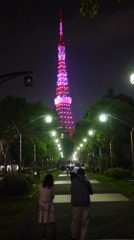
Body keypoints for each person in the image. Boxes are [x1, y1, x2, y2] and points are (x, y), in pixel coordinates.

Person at [70, 168, 93, 240]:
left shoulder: (73, 181)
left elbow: (71, 191)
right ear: (84, 174)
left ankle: (73, 235)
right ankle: (83, 237)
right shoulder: (87, 182)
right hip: (85, 204)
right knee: (85, 223)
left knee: (75, 221)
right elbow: (91, 192)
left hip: (76, 204)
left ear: (77, 173)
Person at [38, 173, 56, 240]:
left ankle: (44, 237)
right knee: (52, 222)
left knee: (43, 222)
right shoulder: (51, 188)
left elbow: (39, 195)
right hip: (49, 206)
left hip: (41, 206)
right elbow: (53, 196)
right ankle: (54, 236)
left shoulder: (40, 186)